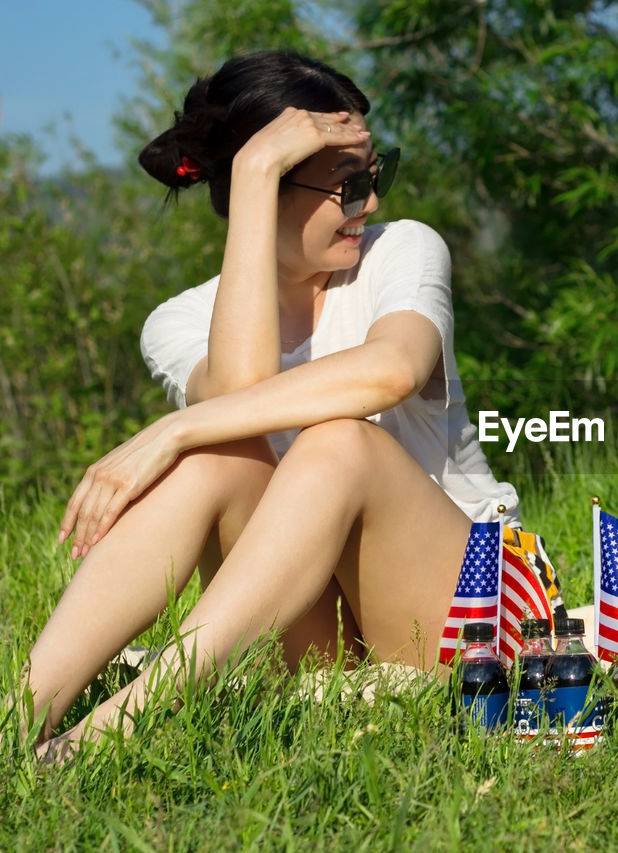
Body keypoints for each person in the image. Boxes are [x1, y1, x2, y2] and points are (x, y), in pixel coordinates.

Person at [18, 51, 519, 759]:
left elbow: (393, 370)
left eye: (376, 175)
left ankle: (117, 726)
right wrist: (251, 175)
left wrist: (174, 428)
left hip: (467, 608)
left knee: (336, 443)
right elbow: (243, 393)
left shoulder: (402, 252)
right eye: (346, 183)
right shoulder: (179, 321)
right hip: (308, 633)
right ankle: (21, 716)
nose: (370, 202)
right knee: (215, 461)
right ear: (267, 191)